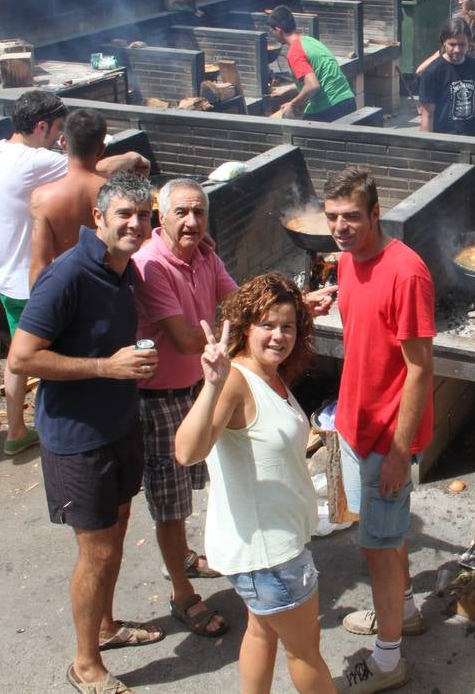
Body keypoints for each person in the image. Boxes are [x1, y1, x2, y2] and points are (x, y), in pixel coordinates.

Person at [9, 172, 166, 692]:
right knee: (95, 552)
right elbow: (22, 357)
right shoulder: (68, 275)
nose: (135, 224)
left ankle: (105, 627)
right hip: (78, 439)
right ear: (97, 218)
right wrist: (106, 368)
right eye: (124, 214)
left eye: (144, 216)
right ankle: (85, 663)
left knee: (116, 534)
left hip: (120, 425)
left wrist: (197, 239)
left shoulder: (123, 268)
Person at [175, 274, 335, 694]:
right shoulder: (234, 380)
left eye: (288, 326)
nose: (278, 336)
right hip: (269, 554)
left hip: (279, 542)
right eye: (267, 324)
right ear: (246, 325)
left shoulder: (271, 375)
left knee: (262, 632)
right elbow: (187, 452)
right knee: (305, 651)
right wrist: (210, 384)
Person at [0, 91, 144, 457]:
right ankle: (66, 427)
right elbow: (87, 167)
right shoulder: (39, 164)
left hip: (9, 277)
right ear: (43, 127)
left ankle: (16, 429)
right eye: (54, 130)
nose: (56, 139)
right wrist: (132, 157)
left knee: (18, 357)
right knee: (61, 357)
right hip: (57, 288)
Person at [321, 168, 435, 693]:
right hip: (353, 423)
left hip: (384, 438)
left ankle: (389, 662)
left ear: (374, 214)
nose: (341, 227)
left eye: (351, 217)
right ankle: (404, 614)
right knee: (384, 543)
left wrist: (396, 454)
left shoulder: (407, 273)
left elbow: (420, 368)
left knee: (378, 547)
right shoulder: (347, 261)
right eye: (333, 218)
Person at [132, 178, 240, 640]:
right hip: (158, 398)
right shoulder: (151, 264)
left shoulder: (204, 255)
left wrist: (288, 308)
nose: (192, 221)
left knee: (190, 486)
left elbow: (236, 301)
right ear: (162, 217)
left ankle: (185, 559)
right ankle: (181, 594)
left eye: (199, 213)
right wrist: (236, 333)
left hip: (195, 388)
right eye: (182, 212)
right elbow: (182, 337)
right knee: (171, 505)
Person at [28, 108, 111, 288]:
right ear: (102, 148)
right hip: (110, 287)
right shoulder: (117, 190)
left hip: (69, 289)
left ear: (63, 142)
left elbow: (39, 265)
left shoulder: (43, 198)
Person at [268, 6, 358, 122]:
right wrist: (290, 87)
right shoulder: (310, 41)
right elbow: (320, 75)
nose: (273, 35)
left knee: (300, 136)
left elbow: (312, 86)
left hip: (329, 108)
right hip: (348, 100)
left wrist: (292, 104)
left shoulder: (295, 51)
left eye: (272, 32)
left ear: (278, 30)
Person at [417, 16, 475, 138]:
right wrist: (427, 149)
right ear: (443, 42)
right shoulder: (433, 72)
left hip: (471, 140)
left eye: (462, 44)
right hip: (444, 142)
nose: (457, 49)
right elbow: (427, 116)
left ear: (469, 42)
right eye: (452, 44)